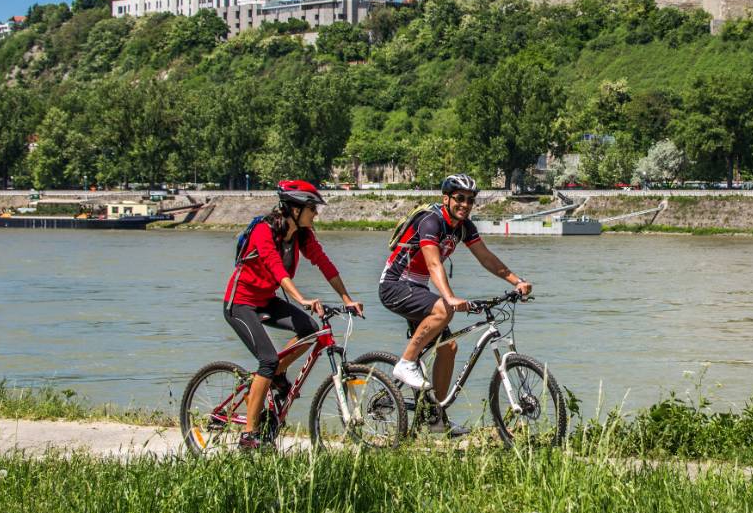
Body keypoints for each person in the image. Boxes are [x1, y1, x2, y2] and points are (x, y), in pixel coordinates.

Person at [379, 173, 532, 435]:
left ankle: (436, 418)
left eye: (470, 200)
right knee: (443, 309)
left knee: (448, 348)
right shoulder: (431, 221)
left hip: (417, 289)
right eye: (460, 198)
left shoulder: (463, 227)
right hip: (395, 285)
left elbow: (486, 258)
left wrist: (516, 281)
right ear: (446, 198)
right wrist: (449, 297)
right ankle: (406, 363)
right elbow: (433, 263)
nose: (465, 204)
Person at [223, 179, 363, 450]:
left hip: (266, 299)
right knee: (266, 359)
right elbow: (277, 269)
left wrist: (346, 298)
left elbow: (324, 263)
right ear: (295, 209)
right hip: (240, 303)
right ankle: (249, 435)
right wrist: (301, 299)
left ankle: (277, 373)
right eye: (312, 208)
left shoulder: (302, 235)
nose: (317, 214)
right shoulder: (264, 231)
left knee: (310, 330)